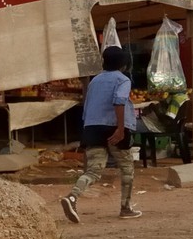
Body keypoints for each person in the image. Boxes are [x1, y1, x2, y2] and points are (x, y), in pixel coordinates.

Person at [60, 45, 140, 222]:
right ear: (124, 64)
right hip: (114, 127)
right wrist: (120, 128)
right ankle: (125, 207)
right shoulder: (123, 80)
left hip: (92, 127)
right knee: (127, 167)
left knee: (94, 171)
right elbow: (119, 102)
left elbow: (87, 107)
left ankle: (72, 197)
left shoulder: (95, 80)